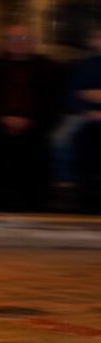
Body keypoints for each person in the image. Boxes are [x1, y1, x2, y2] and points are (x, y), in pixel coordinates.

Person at [0, 23, 60, 211]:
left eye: (22, 38)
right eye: (12, 39)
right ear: (4, 42)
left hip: (35, 121)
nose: (18, 43)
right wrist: (4, 119)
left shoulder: (46, 67)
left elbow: (52, 101)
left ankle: (34, 198)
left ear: (32, 42)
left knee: (38, 138)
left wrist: (28, 120)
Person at [66, 27, 101, 212]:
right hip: (86, 118)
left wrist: (92, 94)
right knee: (78, 139)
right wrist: (89, 109)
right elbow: (73, 96)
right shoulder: (83, 65)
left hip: (92, 116)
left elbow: (86, 93)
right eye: (98, 36)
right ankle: (86, 195)